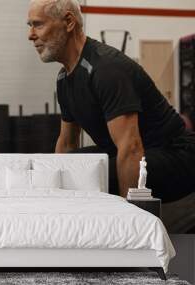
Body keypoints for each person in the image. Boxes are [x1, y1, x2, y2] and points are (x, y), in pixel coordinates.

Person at [27, 0, 195, 203]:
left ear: (69, 22)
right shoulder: (65, 79)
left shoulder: (106, 69)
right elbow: (67, 143)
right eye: (30, 26)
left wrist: (129, 220)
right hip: (133, 151)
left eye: (38, 24)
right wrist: (53, 187)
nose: (31, 35)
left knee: (92, 177)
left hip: (176, 156)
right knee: (71, 169)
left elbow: (131, 147)